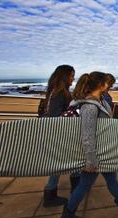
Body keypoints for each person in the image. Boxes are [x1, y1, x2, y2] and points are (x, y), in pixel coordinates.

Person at [56, 71, 118, 218]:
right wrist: (90, 160)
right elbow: (87, 135)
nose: (109, 85)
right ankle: (66, 216)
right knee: (84, 184)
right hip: (94, 154)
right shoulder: (89, 106)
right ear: (101, 85)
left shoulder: (97, 101)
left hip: (103, 152)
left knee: (111, 178)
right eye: (107, 83)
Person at [41, 65, 80, 207]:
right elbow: (55, 116)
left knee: (60, 163)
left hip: (55, 133)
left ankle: (51, 193)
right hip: (59, 134)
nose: (73, 78)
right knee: (70, 161)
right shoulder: (60, 93)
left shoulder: (53, 91)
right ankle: (73, 190)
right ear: (65, 76)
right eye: (71, 75)